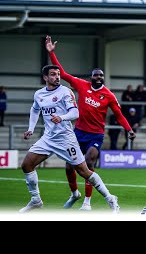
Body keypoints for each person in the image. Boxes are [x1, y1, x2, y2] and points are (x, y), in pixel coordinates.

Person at [45, 35, 136, 211]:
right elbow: (62, 74)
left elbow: (119, 114)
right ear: (91, 77)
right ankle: (74, 194)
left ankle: (87, 201)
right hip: (78, 132)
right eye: (96, 75)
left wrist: (129, 129)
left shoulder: (108, 95)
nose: (99, 77)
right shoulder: (81, 85)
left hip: (96, 134)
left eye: (101, 75)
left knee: (88, 162)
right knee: (69, 165)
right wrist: (52, 53)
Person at [20, 64, 120, 213]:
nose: (57, 77)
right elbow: (35, 109)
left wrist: (61, 117)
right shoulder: (39, 94)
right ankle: (36, 200)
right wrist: (31, 128)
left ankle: (111, 199)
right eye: (53, 74)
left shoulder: (65, 92)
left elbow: (75, 113)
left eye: (58, 74)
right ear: (45, 77)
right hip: (48, 138)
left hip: (66, 139)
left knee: (84, 172)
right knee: (26, 165)